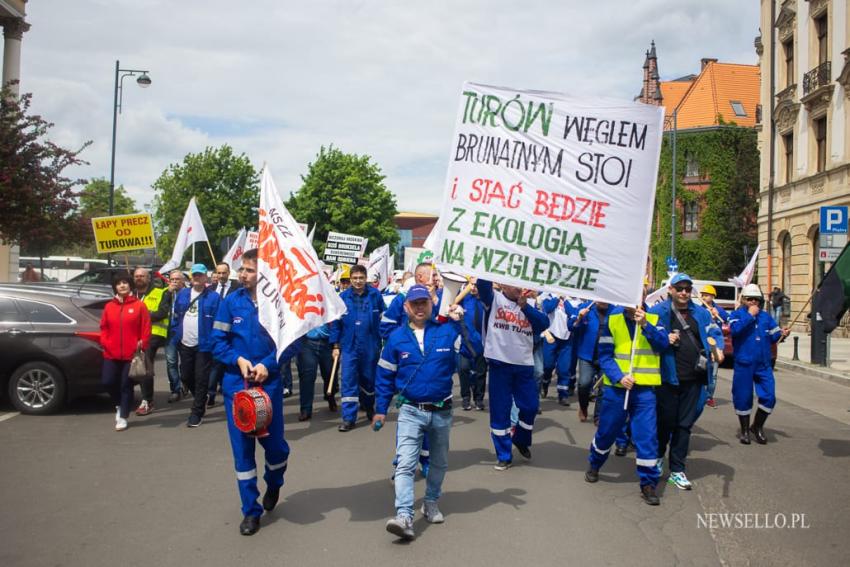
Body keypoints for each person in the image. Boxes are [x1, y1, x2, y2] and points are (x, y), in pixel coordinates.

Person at [373, 285, 482, 540]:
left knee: (439, 462)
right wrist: (380, 410)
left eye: (424, 302)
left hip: (442, 412)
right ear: (406, 307)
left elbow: (475, 350)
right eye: (415, 303)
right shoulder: (396, 339)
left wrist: (463, 321)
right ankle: (404, 516)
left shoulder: (447, 331)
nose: (420, 307)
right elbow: (385, 375)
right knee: (405, 463)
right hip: (411, 411)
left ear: (432, 305)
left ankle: (431, 501)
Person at [211, 248, 300, 536]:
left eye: (249, 270)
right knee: (242, 452)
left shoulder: (279, 304)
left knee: (276, 449)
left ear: (264, 274)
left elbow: (292, 343)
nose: (242, 274)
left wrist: (267, 364)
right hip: (237, 388)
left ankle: (274, 483)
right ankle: (251, 510)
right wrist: (237, 359)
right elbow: (217, 342)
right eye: (242, 269)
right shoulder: (230, 302)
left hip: (269, 386)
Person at [585, 304, 668, 505]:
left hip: (645, 391)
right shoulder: (613, 320)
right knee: (607, 432)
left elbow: (663, 345)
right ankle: (595, 463)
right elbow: (604, 356)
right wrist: (619, 377)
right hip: (617, 389)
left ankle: (648, 483)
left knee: (647, 437)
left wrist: (646, 325)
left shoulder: (655, 318)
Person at [649, 273, 722, 491]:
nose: (683, 292)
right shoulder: (658, 312)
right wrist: (665, 339)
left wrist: (717, 347)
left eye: (687, 289)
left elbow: (713, 332)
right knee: (665, 422)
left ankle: (678, 469)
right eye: (679, 288)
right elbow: (648, 337)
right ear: (670, 290)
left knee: (684, 425)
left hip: (695, 378)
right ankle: (658, 457)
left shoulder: (701, 312)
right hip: (668, 378)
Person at [477, 280, 549, 470]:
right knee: (500, 411)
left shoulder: (530, 302)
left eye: (520, 284)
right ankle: (504, 455)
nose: (518, 288)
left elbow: (543, 324)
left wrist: (525, 307)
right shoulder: (494, 299)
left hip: (524, 363)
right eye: (513, 284)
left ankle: (521, 439)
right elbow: (482, 283)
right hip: (499, 363)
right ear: (502, 285)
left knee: (530, 407)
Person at [729, 284, 789, 444]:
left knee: (769, 396)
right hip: (744, 363)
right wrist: (749, 316)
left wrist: (782, 333)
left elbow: (773, 336)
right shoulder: (736, 314)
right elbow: (734, 331)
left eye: (756, 299)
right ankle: (744, 431)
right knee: (743, 396)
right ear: (744, 300)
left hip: (763, 363)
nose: (753, 302)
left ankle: (757, 426)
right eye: (750, 299)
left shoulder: (766, 316)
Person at [329, 264, 385, 431]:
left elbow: (384, 318)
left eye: (361, 278)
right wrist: (335, 345)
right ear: (350, 279)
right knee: (348, 380)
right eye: (355, 278)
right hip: (349, 345)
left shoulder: (375, 295)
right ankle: (348, 418)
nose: (358, 281)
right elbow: (336, 324)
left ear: (366, 278)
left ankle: (369, 407)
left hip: (370, 344)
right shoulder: (343, 297)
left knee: (369, 379)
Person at [99, 272, 151, 431]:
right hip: (111, 353)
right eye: (118, 283)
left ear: (130, 285)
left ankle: (123, 416)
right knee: (107, 382)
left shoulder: (139, 305)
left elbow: (146, 327)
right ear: (115, 287)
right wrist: (105, 342)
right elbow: (104, 327)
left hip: (131, 354)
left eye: (125, 283)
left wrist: (143, 342)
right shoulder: (109, 306)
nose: (122, 285)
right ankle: (118, 405)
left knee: (125, 385)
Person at [171, 264, 221, 427]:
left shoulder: (213, 297)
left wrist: (215, 341)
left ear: (205, 277)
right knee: (185, 376)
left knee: (201, 378)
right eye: (195, 275)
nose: (197, 278)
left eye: (200, 275)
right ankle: (202, 397)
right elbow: (176, 316)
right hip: (185, 343)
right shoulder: (183, 294)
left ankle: (197, 411)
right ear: (190, 278)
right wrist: (175, 333)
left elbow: (218, 322)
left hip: (204, 345)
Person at [133, 267, 170, 416]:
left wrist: (142, 315)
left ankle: (147, 401)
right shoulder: (130, 294)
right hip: (132, 335)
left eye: (142, 276)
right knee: (133, 367)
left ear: (149, 278)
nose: (139, 278)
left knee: (144, 365)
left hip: (153, 334)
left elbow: (162, 313)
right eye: (136, 276)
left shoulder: (161, 292)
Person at [570, 300, 612, 423]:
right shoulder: (585, 307)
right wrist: (579, 319)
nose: (604, 300)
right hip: (587, 355)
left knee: (604, 388)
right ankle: (583, 407)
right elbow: (571, 326)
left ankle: (598, 416)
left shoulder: (615, 311)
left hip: (606, 357)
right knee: (584, 384)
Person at [208, 263, 241, 406]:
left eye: (224, 273)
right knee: (215, 364)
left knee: (227, 362)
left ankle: (228, 389)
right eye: (219, 273)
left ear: (228, 273)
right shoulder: (210, 290)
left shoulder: (237, 289)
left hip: (233, 332)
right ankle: (210, 394)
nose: (221, 276)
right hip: (216, 332)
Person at [380, 262, 442, 338]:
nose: (436, 278)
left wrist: (435, 299)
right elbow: (385, 328)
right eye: (433, 275)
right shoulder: (402, 298)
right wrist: (407, 341)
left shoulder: (438, 297)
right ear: (420, 277)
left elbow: (444, 325)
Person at [295, 322, 337, 420]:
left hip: (328, 343)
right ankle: (306, 409)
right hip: (307, 343)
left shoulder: (331, 305)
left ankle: (330, 397)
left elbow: (337, 320)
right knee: (307, 376)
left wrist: (336, 344)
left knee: (329, 373)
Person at [539, 293, 575, 405]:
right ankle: (545, 383)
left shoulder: (574, 299)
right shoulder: (548, 295)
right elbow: (547, 308)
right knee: (547, 365)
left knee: (564, 368)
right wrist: (557, 297)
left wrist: (565, 299)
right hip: (551, 336)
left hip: (567, 338)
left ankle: (562, 395)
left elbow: (573, 313)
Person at [458, 280, 487, 411]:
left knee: (480, 373)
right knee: (464, 369)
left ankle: (479, 398)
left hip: (482, 343)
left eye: (476, 285)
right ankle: (465, 397)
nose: (474, 288)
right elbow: (452, 303)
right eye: (472, 285)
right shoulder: (464, 298)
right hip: (466, 343)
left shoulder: (486, 300)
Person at [698, 284, 727, 409]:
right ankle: (699, 395)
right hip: (702, 346)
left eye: (707, 295)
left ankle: (709, 396)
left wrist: (717, 316)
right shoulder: (699, 310)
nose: (704, 297)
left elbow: (726, 319)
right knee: (700, 371)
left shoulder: (718, 310)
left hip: (715, 346)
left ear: (713, 296)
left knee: (713, 374)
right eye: (703, 295)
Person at [165, 269, 186, 402]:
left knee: (185, 363)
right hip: (170, 332)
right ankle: (175, 389)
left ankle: (185, 383)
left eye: (177, 279)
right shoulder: (166, 293)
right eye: (172, 280)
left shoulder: (189, 294)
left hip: (184, 332)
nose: (174, 282)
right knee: (171, 362)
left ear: (183, 281)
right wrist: (168, 294)